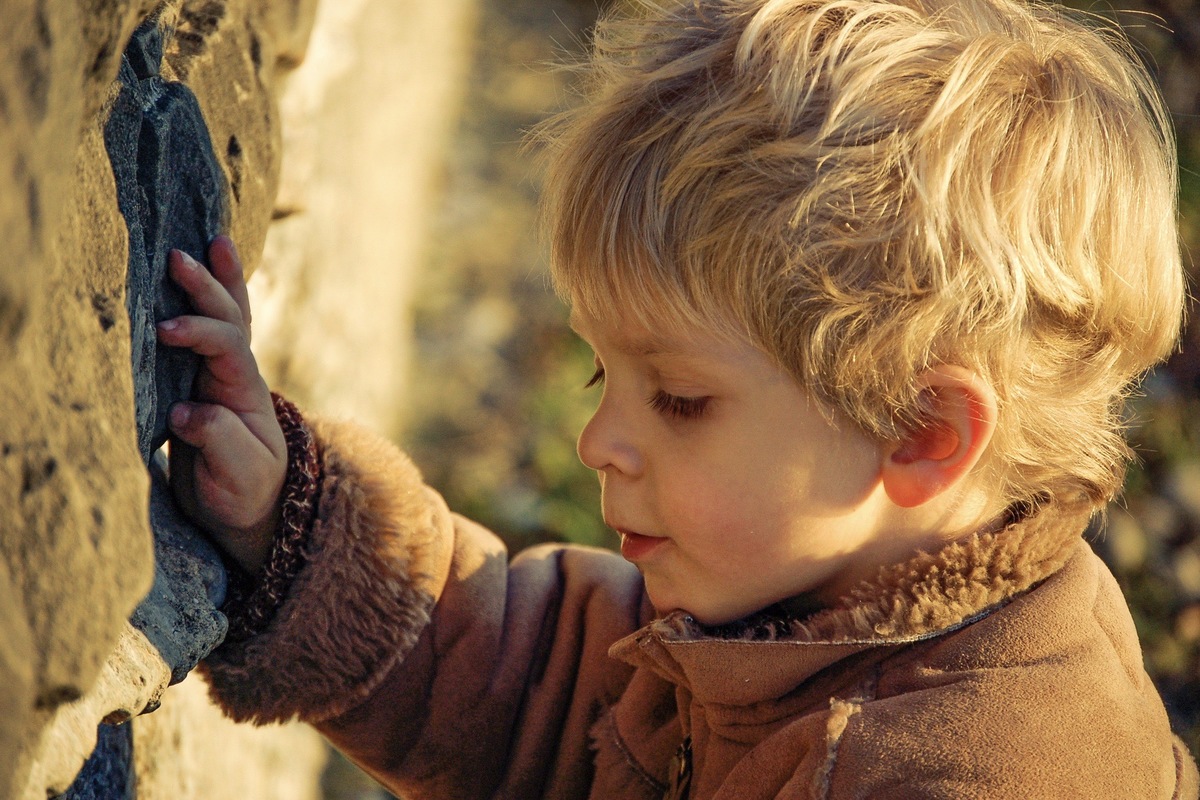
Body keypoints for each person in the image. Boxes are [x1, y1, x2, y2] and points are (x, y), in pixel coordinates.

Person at [156, 0, 1200, 796]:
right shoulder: (789, 591)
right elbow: (542, 695)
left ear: (921, 429)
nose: (600, 439)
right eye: (607, 375)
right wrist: (293, 518)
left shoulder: (988, 765)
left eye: (684, 399)